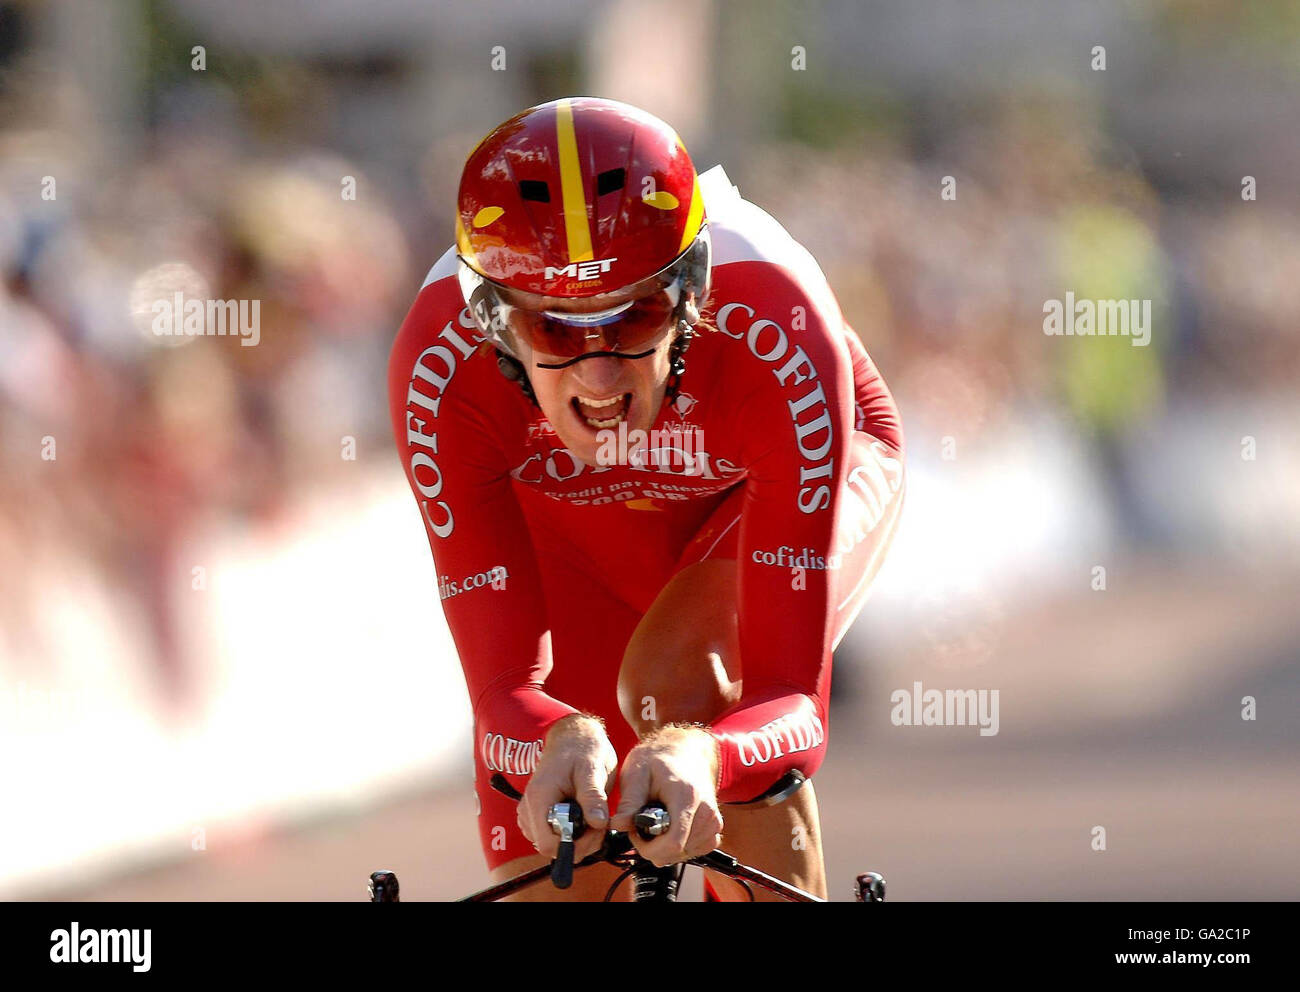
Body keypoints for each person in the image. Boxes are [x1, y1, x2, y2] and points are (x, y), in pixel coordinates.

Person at [387, 97, 904, 900]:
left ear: (691, 292)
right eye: (555, 331)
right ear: (493, 319)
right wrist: (552, 735)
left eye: (637, 315)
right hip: (576, 524)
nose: (598, 374)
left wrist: (711, 755)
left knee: (680, 682)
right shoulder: (439, 368)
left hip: (751, 493)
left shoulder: (774, 321)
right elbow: (501, 698)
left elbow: (790, 701)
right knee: (561, 841)